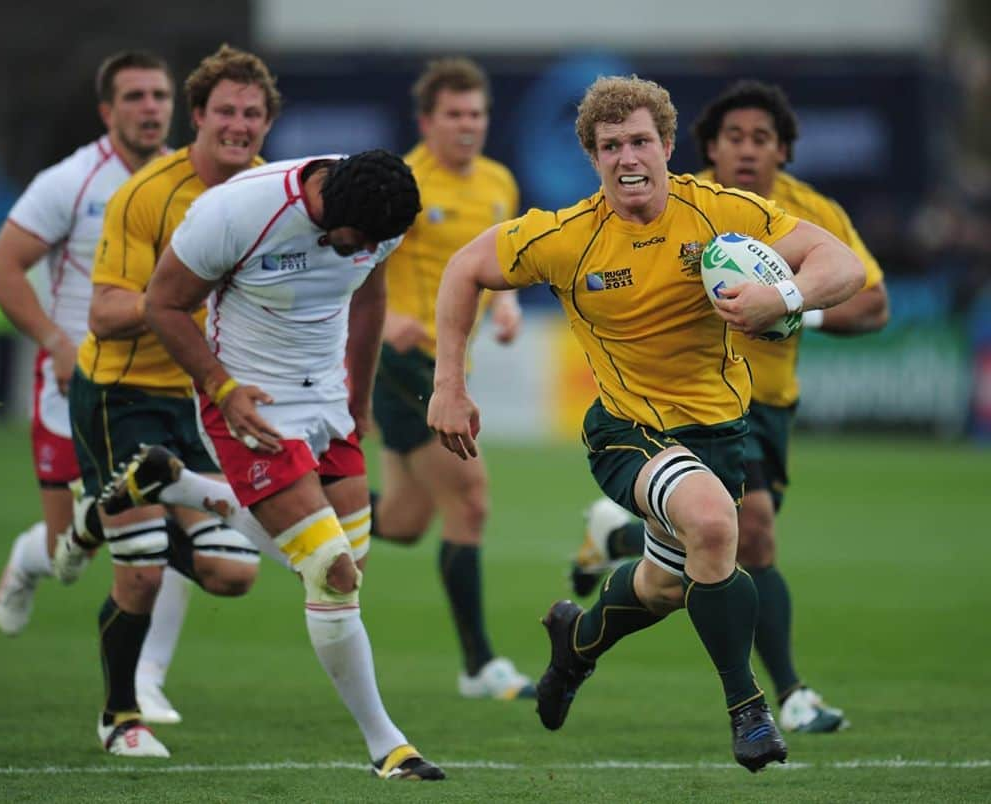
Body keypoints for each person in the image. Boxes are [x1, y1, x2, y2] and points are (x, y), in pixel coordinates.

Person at [426, 75, 866, 772]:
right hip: (627, 435)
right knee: (719, 526)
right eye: (610, 146)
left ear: (666, 145)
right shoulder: (565, 237)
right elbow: (462, 268)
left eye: (639, 142)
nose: (627, 158)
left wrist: (780, 294)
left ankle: (576, 645)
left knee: (666, 586)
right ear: (592, 157)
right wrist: (449, 382)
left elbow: (843, 267)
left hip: (722, 434)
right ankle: (748, 709)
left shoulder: (719, 211)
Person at [570, 79, 889, 734]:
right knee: (750, 535)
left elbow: (872, 302)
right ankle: (788, 694)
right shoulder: (688, 207)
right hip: (699, 410)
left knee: (714, 551)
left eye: (761, 139)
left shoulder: (809, 212)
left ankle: (617, 539)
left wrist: (788, 305)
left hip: (772, 403)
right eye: (732, 138)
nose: (746, 150)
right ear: (705, 146)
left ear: (784, 151)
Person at [135, 147, 444, 780]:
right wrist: (222, 389)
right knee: (331, 572)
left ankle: (187, 490)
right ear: (326, 204)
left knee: (349, 566)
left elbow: (368, 298)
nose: (353, 251)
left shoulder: (383, 216)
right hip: (250, 401)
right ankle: (388, 748)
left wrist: (358, 398)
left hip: (329, 397)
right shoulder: (237, 210)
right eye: (351, 240)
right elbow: (161, 306)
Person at [68, 44, 283, 757]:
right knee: (143, 568)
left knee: (231, 573)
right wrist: (179, 299)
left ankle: (92, 522)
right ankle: (120, 716)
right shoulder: (146, 193)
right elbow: (102, 314)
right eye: (225, 110)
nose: (239, 124)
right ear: (198, 115)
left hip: (203, 402)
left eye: (253, 113)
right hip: (120, 392)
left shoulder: (271, 195)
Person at [0, 50, 193, 722]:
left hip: (161, 385)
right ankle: (29, 558)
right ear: (108, 111)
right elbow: (4, 271)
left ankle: (148, 679)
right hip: (77, 385)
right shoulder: (71, 181)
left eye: (160, 95)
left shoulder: (192, 177)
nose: (150, 107)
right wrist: (55, 340)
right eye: (134, 96)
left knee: (168, 526)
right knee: (70, 549)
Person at [368, 57, 533, 700]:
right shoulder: (403, 184)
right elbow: (355, 267)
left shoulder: (498, 182)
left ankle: (278, 511)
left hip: (450, 367)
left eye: (477, 113)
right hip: (404, 365)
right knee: (470, 499)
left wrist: (511, 304)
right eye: (455, 115)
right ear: (426, 121)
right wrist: (389, 322)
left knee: (407, 520)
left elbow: (502, 266)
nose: (468, 126)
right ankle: (478, 666)